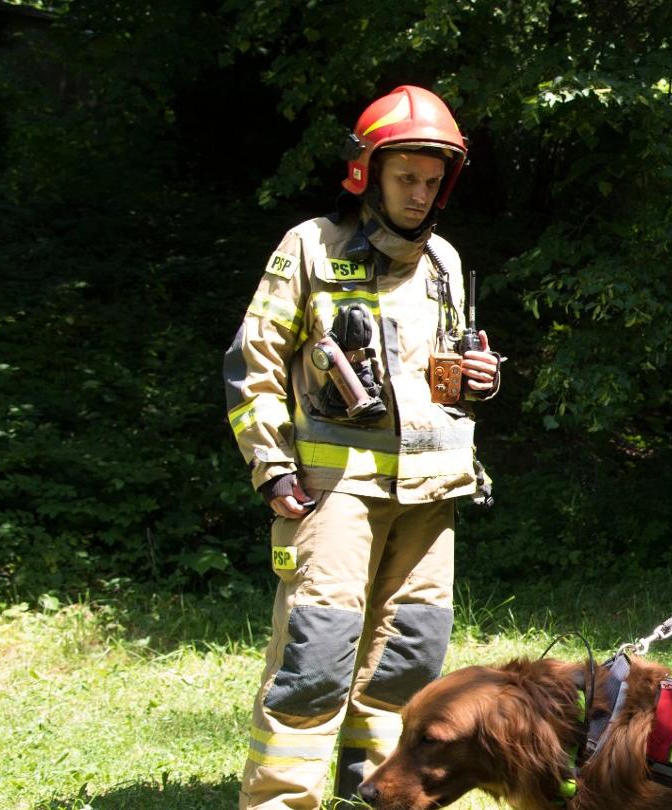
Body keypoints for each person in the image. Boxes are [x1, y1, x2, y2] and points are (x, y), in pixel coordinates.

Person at [223, 85, 500, 808]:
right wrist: (271, 466)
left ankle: (376, 796)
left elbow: (441, 381)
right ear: (367, 173)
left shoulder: (442, 260)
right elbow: (251, 367)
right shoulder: (309, 249)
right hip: (332, 493)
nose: (420, 194)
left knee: (408, 661)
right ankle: (281, 801)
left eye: (433, 181)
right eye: (406, 177)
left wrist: (478, 378)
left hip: (431, 498)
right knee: (316, 658)